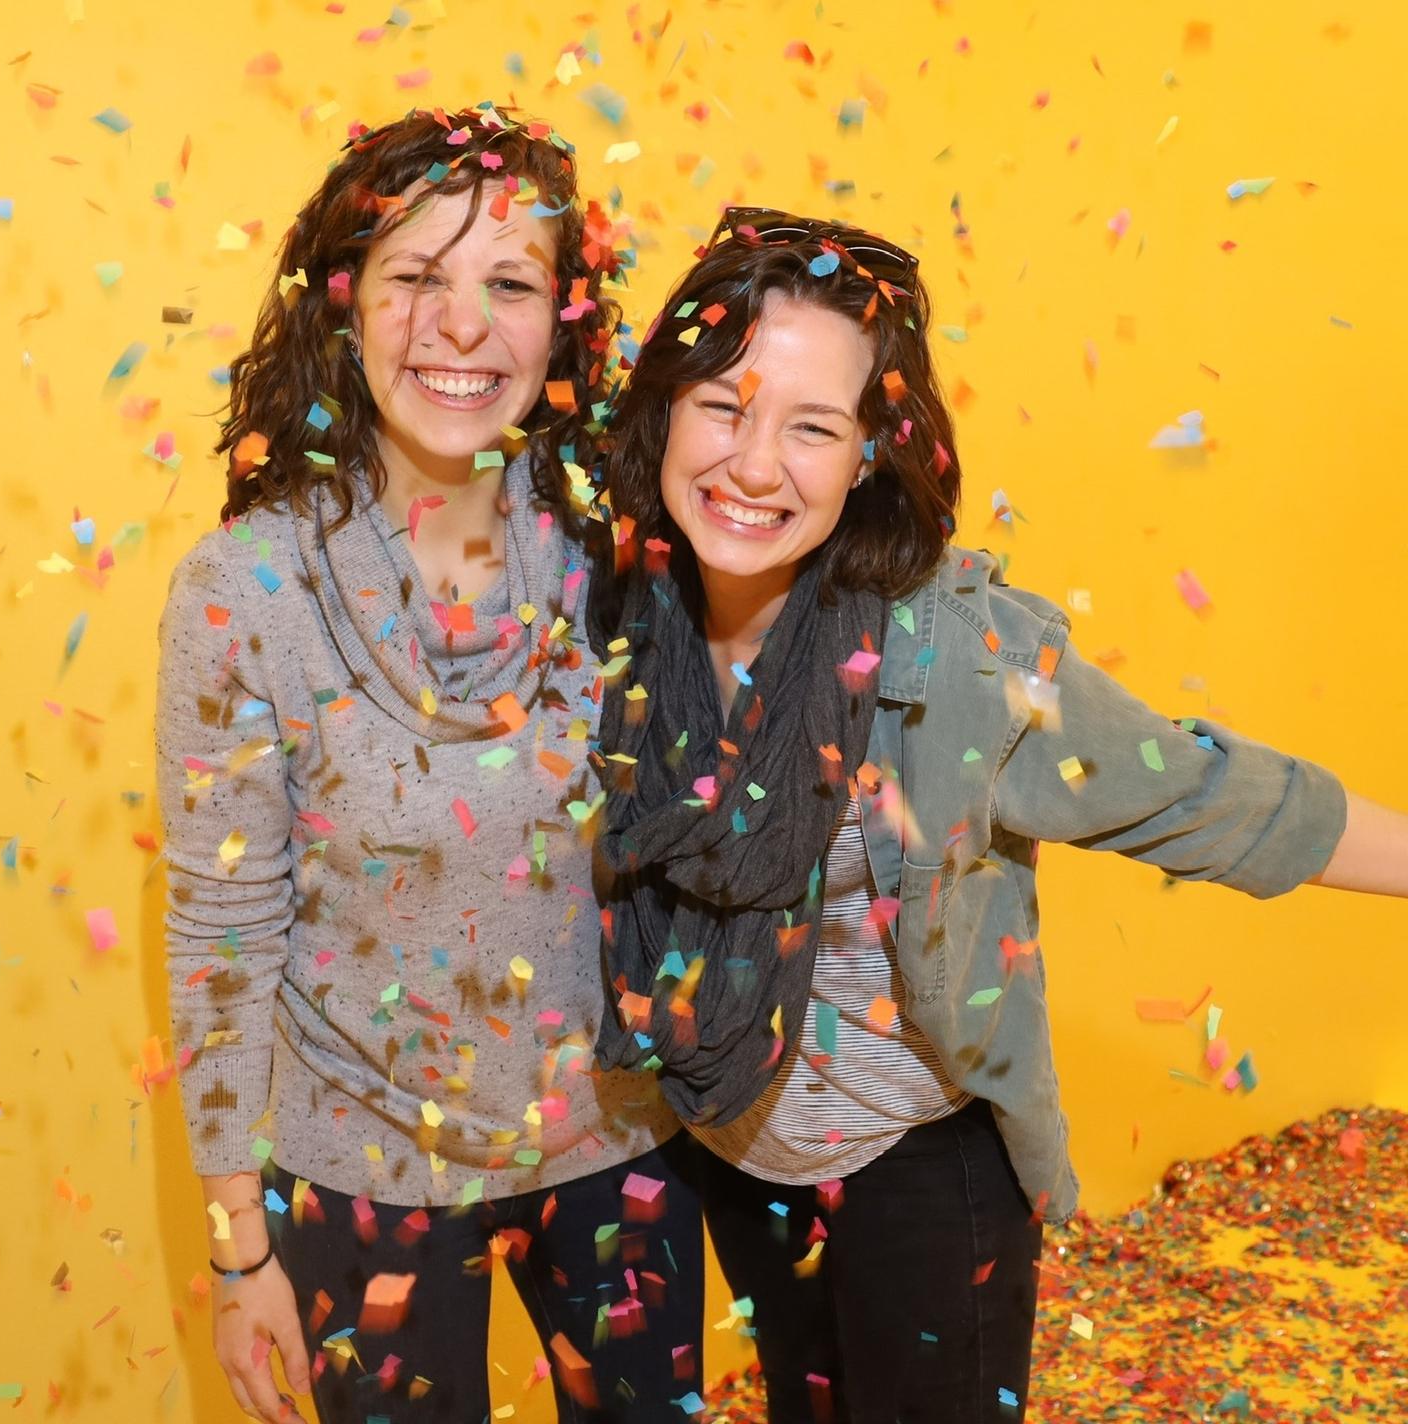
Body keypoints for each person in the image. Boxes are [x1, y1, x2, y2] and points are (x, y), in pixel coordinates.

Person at [585, 206, 1408, 1423]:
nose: (752, 465)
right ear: (665, 411)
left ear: (868, 454)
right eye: (723, 405)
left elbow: (1193, 792)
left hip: (920, 1170)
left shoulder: (957, 651)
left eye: (811, 426)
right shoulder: (608, 614)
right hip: (730, 1141)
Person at [156, 105, 704, 1424]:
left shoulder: (628, 547)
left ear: (562, 323)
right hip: (359, 1170)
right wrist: (238, 1251)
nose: (460, 327)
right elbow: (223, 928)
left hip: (621, 1147)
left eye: (508, 283)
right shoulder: (244, 591)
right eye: (414, 275)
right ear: (344, 303)